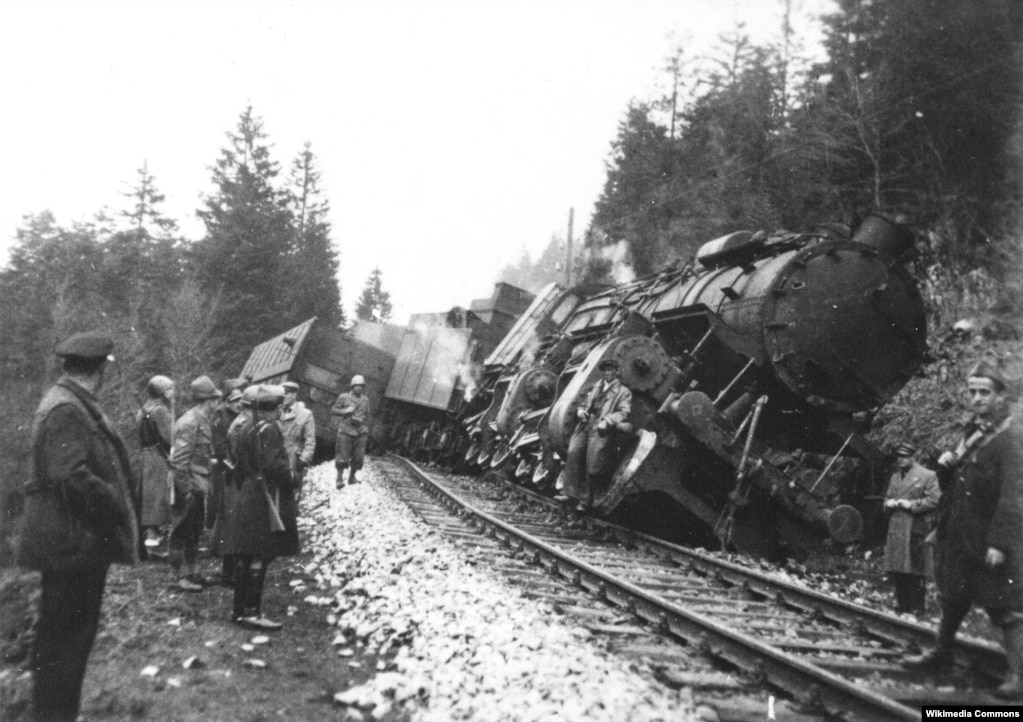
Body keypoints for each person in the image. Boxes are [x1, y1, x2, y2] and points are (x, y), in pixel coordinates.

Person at [17, 331, 139, 722]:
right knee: (65, 643)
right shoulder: (68, 409)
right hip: (72, 545)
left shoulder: (69, 402)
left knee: (64, 640)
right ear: (100, 370)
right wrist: (114, 501)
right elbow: (70, 476)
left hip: (73, 543)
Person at [904, 361, 1023, 699]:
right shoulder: (973, 432)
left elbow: (1013, 496)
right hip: (960, 534)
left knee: (1004, 609)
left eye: (984, 392)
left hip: (989, 539)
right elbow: (956, 486)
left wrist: (999, 543)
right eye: (972, 392)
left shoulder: (1011, 438)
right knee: (953, 597)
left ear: (1001, 396)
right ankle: (942, 653)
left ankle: (1019, 676)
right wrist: (944, 468)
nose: (977, 398)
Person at [228, 384, 297, 630]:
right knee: (261, 553)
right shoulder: (271, 429)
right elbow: (274, 466)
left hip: (248, 491)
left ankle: (238, 611)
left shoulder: (248, 426)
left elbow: (238, 463)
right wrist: (292, 479)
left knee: (245, 554)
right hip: (264, 495)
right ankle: (252, 613)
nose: (282, 410)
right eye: (281, 406)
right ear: (275, 407)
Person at [168, 375, 221, 592]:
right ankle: (178, 577)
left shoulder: (202, 419)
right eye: (215, 399)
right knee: (181, 531)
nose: (217, 403)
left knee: (194, 531)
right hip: (188, 485)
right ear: (208, 401)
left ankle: (192, 572)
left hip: (198, 484)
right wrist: (186, 491)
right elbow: (179, 460)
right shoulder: (191, 422)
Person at [564, 358, 632, 513]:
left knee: (592, 464)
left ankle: (585, 502)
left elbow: (623, 412)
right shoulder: (597, 386)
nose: (608, 373)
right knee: (573, 451)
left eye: (611, 370)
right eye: (605, 370)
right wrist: (581, 411)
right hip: (586, 425)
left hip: (602, 430)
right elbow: (585, 403)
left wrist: (608, 421)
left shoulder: (624, 392)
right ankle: (570, 494)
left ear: (616, 372)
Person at [882, 442, 940, 614]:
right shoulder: (895, 477)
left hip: (916, 526)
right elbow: (887, 497)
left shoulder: (927, 475)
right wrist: (888, 503)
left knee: (916, 567)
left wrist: (912, 504)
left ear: (913, 457)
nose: (900, 460)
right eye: (898, 457)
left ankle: (917, 606)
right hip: (897, 526)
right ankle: (902, 604)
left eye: (904, 457)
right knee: (899, 567)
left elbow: (935, 499)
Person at [207, 381, 246, 585]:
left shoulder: (239, 416)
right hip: (225, 470)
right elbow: (221, 448)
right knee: (224, 514)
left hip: (235, 470)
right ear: (227, 401)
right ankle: (223, 559)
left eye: (241, 399)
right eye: (234, 400)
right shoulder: (220, 418)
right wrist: (236, 465)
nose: (239, 403)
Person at [135, 374, 174, 552]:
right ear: (162, 392)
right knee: (160, 499)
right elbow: (170, 437)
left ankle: (152, 539)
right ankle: (158, 543)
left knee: (151, 499)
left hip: (147, 456)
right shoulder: (160, 411)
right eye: (169, 389)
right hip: (160, 458)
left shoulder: (142, 410)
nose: (172, 393)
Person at [332, 374, 370, 488]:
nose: (359, 388)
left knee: (358, 456)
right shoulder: (344, 397)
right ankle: (339, 478)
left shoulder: (365, 400)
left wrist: (361, 420)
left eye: (361, 386)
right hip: (346, 429)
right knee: (342, 454)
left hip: (360, 430)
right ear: (352, 386)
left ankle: (352, 477)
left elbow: (367, 415)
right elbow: (334, 410)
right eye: (357, 385)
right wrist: (346, 411)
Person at [279, 380, 316, 486]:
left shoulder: (305, 414)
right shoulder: (276, 410)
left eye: (287, 393)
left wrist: (304, 459)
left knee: (290, 487)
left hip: (294, 458)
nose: (284, 396)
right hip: (276, 455)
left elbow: (310, 440)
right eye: (282, 394)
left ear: (295, 394)